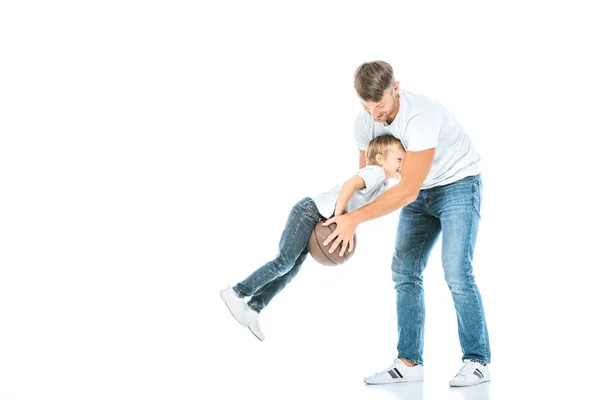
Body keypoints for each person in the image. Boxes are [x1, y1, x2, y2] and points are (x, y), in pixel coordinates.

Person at [322, 61, 491, 387]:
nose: (375, 114)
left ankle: (478, 360)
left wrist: (355, 220)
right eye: (366, 106)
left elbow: (407, 188)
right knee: (404, 270)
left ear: (395, 88)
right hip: (419, 193)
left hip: (457, 183)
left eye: (380, 105)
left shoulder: (421, 116)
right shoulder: (365, 122)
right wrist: (338, 215)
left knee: (456, 272)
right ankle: (409, 362)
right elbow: (368, 182)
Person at [220, 135, 406, 341]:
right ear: (380, 159)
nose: (402, 165)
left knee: (290, 271)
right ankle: (237, 293)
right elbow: (349, 185)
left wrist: (348, 226)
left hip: (318, 219)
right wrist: (337, 216)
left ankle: (254, 308)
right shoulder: (376, 172)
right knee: (284, 263)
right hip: (310, 213)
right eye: (399, 160)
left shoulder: (382, 185)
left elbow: (359, 209)